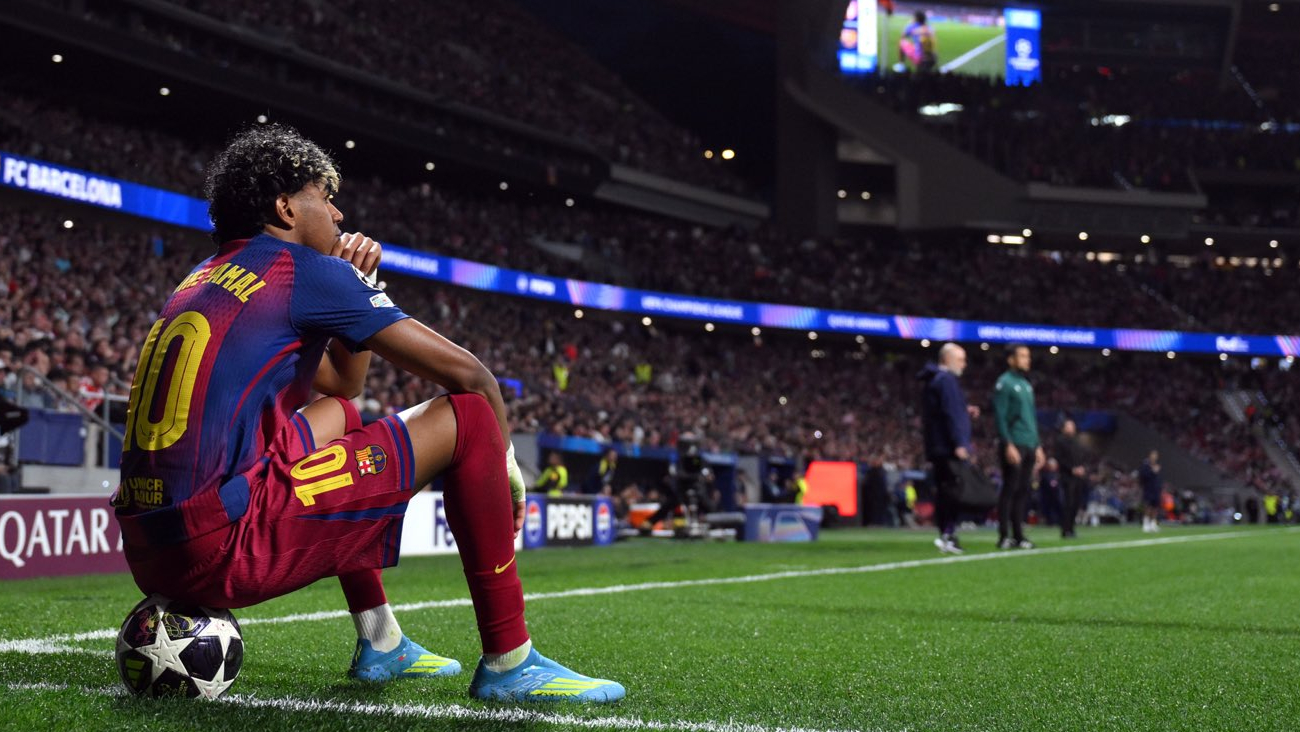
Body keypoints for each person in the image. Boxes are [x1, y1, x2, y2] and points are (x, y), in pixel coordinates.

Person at [111, 126, 623, 703]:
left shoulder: (201, 277)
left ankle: (380, 640)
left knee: (339, 416)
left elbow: (342, 385)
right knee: (473, 417)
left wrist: (357, 285)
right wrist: (505, 468)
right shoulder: (301, 270)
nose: (337, 211)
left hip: (150, 551)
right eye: (323, 196)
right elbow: (472, 377)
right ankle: (511, 660)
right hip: (221, 549)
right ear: (285, 207)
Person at [919, 342, 978, 555]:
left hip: (938, 445)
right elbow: (950, 414)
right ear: (947, 359)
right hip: (947, 446)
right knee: (952, 491)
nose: (964, 364)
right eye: (960, 359)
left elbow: (945, 410)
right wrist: (960, 443)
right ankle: (948, 534)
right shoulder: (946, 380)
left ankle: (946, 533)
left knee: (946, 490)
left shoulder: (936, 380)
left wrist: (964, 410)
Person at [992, 344, 1045, 549]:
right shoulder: (1004, 383)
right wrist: (1007, 444)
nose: (1027, 360)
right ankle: (1004, 535)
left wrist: (1038, 445)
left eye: (1028, 356)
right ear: (1010, 359)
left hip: (1029, 443)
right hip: (1014, 443)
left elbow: (1031, 417)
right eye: (1022, 356)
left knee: (1023, 490)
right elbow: (1000, 416)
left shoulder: (1026, 384)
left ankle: (1019, 535)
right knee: (1010, 489)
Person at [1056, 420, 1088, 538]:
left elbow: (1083, 457)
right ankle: (1065, 529)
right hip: (1067, 477)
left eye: (1072, 426)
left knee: (1076, 503)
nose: (1071, 429)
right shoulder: (1060, 441)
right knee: (1068, 503)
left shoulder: (1077, 442)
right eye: (1069, 426)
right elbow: (1059, 458)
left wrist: (1082, 468)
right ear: (1063, 428)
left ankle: (1072, 528)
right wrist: (1072, 469)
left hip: (1078, 477)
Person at [1138, 450, 1162, 533]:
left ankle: (1153, 524)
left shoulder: (1156, 465)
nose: (1155, 456)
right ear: (1150, 455)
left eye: (1156, 455)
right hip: (1148, 489)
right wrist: (1152, 471)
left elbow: (1158, 478)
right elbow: (1143, 476)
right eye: (1153, 455)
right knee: (1148, 506)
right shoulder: (1145, 465)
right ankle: (1145, 524)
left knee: (1155, 507)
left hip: (1156, 489)